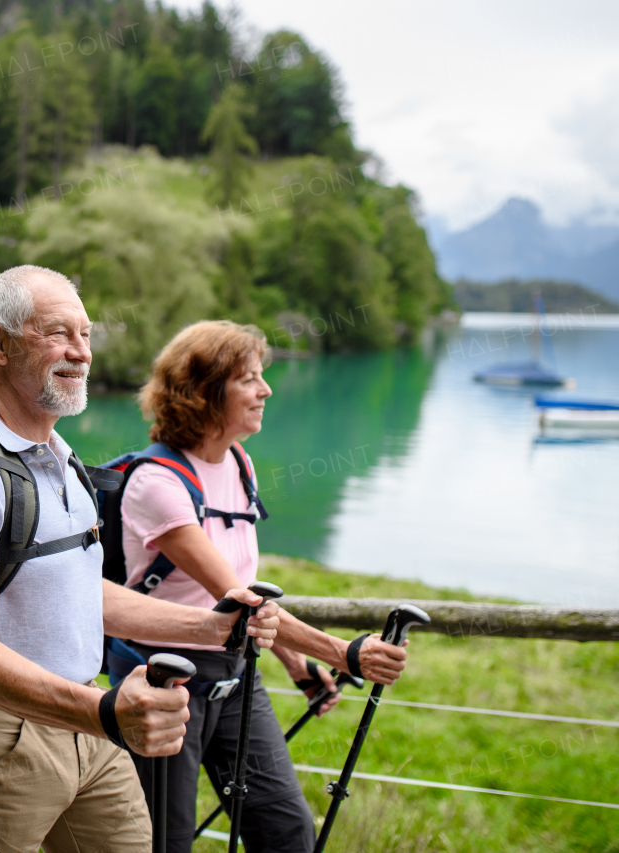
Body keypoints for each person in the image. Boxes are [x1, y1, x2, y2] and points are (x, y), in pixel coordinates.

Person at [0, 267, 283, 853]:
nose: (80, 352)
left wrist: (212, 625)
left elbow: (82, 592)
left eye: (86, 334)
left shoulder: (60, 457)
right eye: (57, 333)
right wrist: (106, 712)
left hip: (88, 722)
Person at [113, 320, 410, 853]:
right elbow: (241, 602)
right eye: (248, 379)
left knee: (286, 833)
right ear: (204, 393)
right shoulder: (157, 482)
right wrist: (343, 652)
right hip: (161, 677)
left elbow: (245, 583)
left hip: (235, 675)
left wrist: (298, 666)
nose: (266, 390)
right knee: (163, 842)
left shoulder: (238, 462)